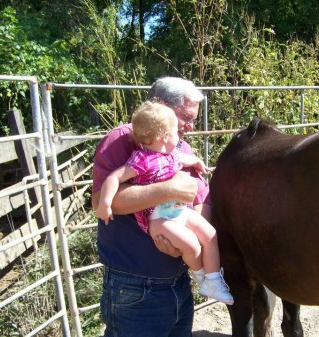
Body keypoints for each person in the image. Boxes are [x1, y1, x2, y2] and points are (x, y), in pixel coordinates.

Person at [92, 77, 216, 337]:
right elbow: (102, 202)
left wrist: (191, 235)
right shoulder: (122, 140)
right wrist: (169, 190)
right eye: (185, 117)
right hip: (136, 285)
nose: (190, 127)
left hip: (179, 283)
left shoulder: (179, 147)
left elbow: (201, 198)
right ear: (160, 105)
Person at [95, 101, 233, 305]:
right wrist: (106, 203)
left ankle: (213, 279)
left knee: (210, 234)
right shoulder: (140, 159)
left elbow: (185, 159)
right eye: (181, 124)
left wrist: (196, 162)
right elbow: (114, 178)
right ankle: (202, 275)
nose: (186, 129)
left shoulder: (172, 154)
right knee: (192, 245)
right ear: (165, 136)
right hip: (158, 217)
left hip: (176, 211)